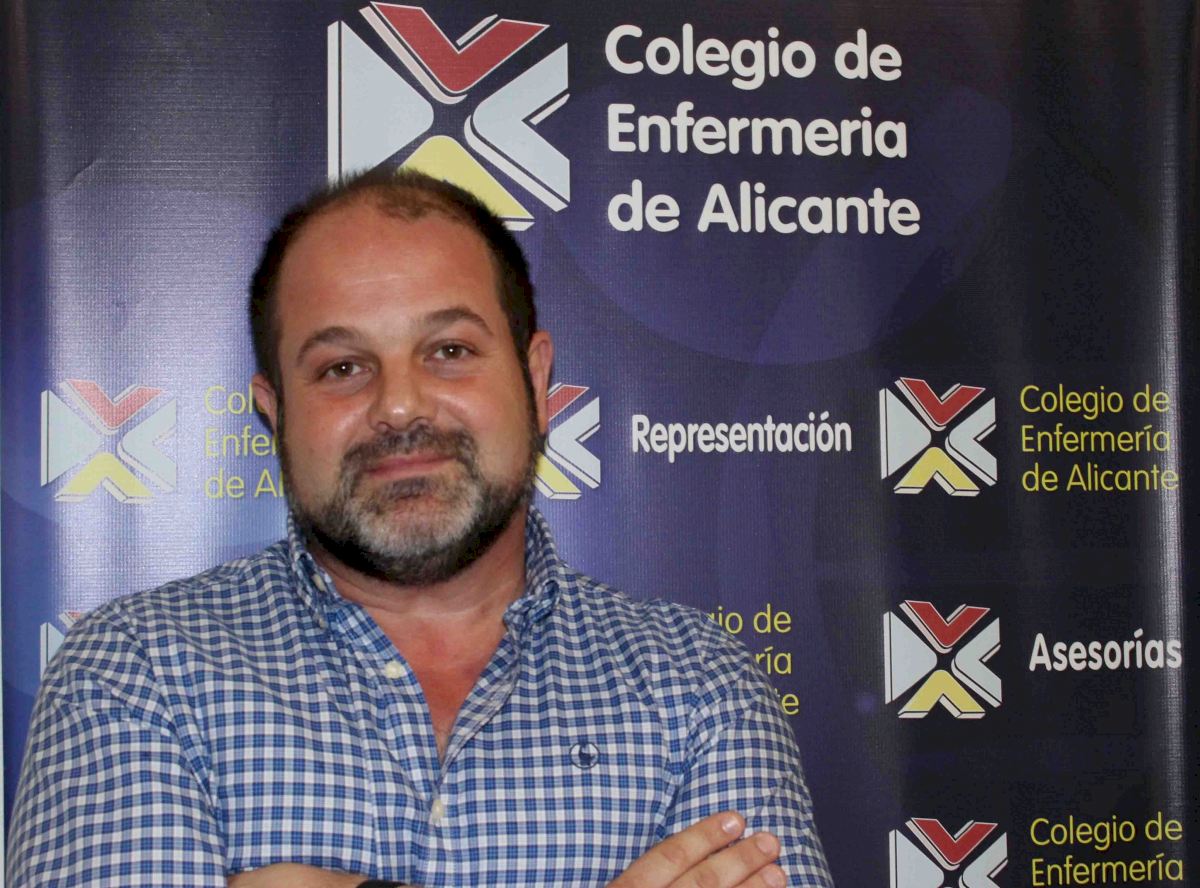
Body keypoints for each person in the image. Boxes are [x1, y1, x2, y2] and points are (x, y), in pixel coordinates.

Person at [7, 170, 833, 888]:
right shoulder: (138, 674)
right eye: (342, 367)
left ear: (535, 379)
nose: (399, 407)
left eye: (448, 351)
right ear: (275, 411)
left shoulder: (696, 688)